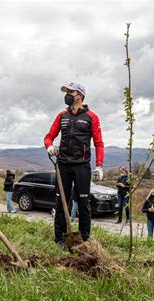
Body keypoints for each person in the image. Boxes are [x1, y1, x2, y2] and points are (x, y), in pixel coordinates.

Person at [44, 82, 104, 247]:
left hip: (82, 165)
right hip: (62, 164)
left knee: (84, 203)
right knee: (61, 201)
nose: (68, 95)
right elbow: (49, 136)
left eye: (71, 92)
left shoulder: (91, 117)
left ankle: (84, 239)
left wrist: (99, 165)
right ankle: (60, 239)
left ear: (80, 95)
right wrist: (49, 147)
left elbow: (99, 143)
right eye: (67, 92)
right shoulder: (62, 115)